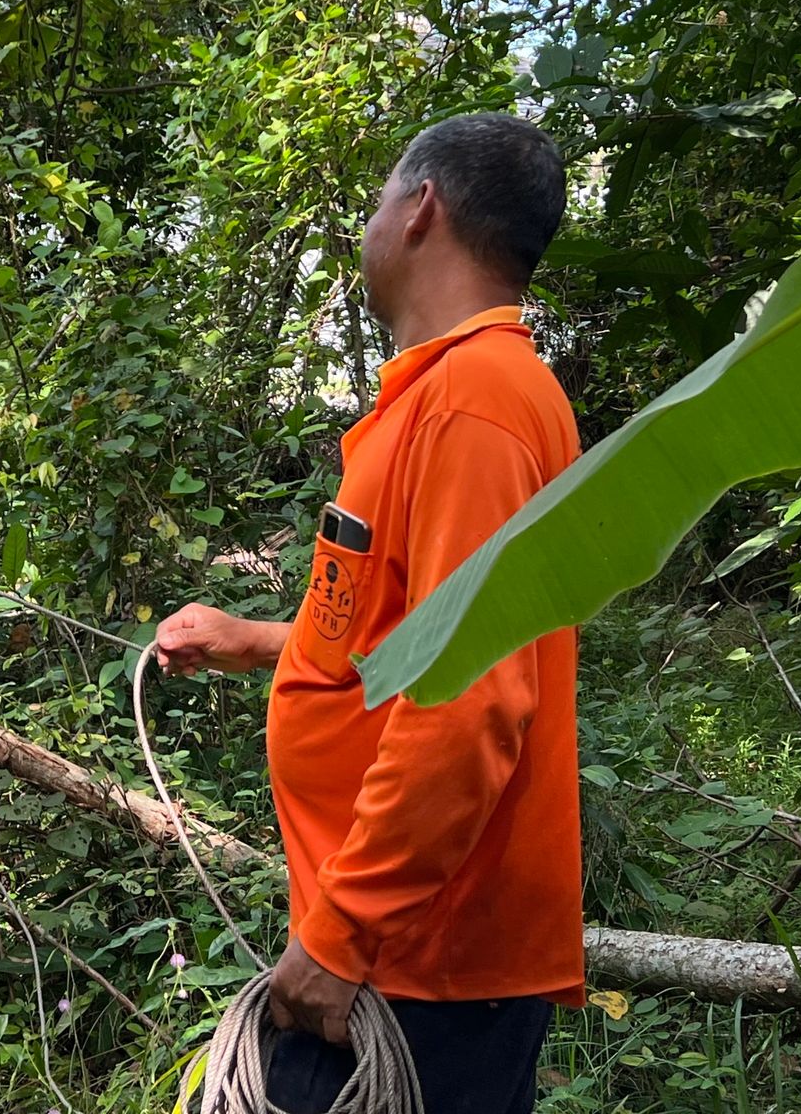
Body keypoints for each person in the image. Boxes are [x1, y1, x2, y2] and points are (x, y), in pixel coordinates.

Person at [155, 112, 582, 1114]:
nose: (369, 224)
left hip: (415, 968)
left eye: (380, 198)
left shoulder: (474, 406)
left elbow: (469, 700)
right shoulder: (447, 396)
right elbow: (414, 638)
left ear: (421, 207)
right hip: (401, 955)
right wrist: (259, 643)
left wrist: (340, 935)